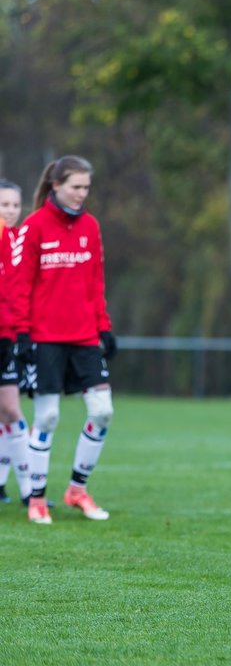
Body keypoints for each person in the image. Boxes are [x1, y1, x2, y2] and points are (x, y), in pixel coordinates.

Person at [10, 156, 117, 525]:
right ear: (56, 186)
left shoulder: (90, 226)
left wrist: (103, 326)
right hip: (44, 337)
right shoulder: (35, 225)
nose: (81, 194)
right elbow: (19, 284)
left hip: (85, 335)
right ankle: (36, 499)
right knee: (49, 417)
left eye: (86, 188)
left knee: (103, 411)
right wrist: (22, 333)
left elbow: (96, 281)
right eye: (75, 187)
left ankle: (77, 490)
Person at [0, 179, 33, 507]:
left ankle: (29, 491)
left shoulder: (20, 243)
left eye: (14, 205)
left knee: (10, 409)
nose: (10, 211)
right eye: (3, 205)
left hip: (9, 339)